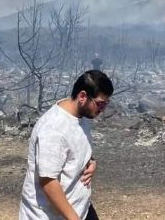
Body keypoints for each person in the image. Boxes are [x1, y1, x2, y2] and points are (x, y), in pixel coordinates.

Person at [19, 70, 114, 220]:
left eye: (106, 104)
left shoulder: (81, 116)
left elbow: (74, 149)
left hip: (80, 208)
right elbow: (48, 182)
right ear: (82, 96)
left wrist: (91, 161)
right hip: (51, 215)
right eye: (100, 104)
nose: (102, 110)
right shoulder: (53, 129)